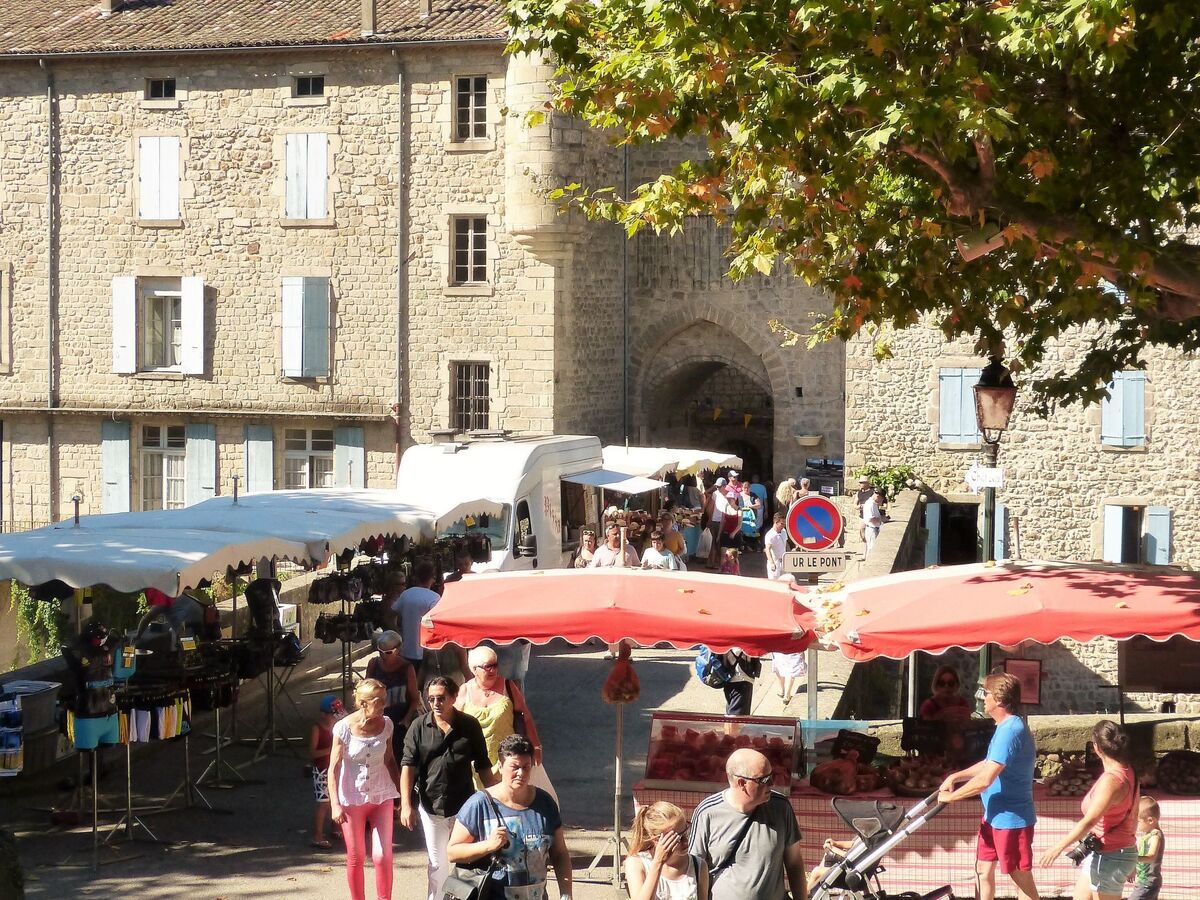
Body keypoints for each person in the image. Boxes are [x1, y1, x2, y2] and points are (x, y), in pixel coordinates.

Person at [938, 672, 1039, 900]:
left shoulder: (1011, 730)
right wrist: (956, 777)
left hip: (1012, 819)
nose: (982, 697)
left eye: (986, 693)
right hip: (994, 815)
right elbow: (989, 763)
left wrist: (952, 797)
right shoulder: (1005, 727)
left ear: (999, 699)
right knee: (982, 869)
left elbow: (985, 780)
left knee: (1019, 876)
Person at [399, 676, 497, 900]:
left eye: (441, 698)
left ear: (453, 697)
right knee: (437, 864)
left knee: (467, 859)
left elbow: (482, 764)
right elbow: (408, 766)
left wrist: (496, 799)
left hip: (464, 806)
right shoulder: (418, 726)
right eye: (431, 698)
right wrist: (405, 805)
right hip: (431, 805)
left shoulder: (469, 725)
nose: (436, 703)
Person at [447, 734, 572, 900]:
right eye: (515, 767)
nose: (521, 773)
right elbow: (453, 852)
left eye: (526, 767)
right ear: (500, 766)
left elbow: (559, 853)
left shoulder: (545, 803)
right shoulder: (479, 804)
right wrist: (488, 845)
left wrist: (566, 894)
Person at [688, 747, 807, 900]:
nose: (772, 783)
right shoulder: (707, 812)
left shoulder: (781, 807)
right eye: (764, 780)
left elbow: (794, 862)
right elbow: (693, 868)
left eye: (772, 776)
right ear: (741, 783)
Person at [1039, 720, 1139, 900]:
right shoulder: (1128, 771)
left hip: (1111, 855)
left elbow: (1089, 821)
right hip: (1108, 851)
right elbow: (1134, 815)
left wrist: (1058, 847)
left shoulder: (1111, 781)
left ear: (1096, 748)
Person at [328, 679, 402, 900]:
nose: (383, 706)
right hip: (352, 798)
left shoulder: (387, 724)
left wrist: (401, 795)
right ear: (362, 703)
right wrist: (335, 805)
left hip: (382, 794)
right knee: (356, 856)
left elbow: (390, 759)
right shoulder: (343, 728)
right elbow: (333, 768)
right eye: (378, 701)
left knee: (383, 856)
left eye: (384, 700)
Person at [456, 646, 555, 801]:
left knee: (508, 799)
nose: (493, 670)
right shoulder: (464, 691)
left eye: (495, 665)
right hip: (476, 760)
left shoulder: (508, 686)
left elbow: (526, 716)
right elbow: (454, 723)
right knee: (482, 800)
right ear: (474, 669)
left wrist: (536, 746)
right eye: (488, 666)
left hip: (507, 756)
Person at [626, 801, 706, 900]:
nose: (686, 842)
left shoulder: (698, 866)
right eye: (678, 838)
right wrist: (658, 862)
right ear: (656, 839)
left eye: (686, 832)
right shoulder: (637, 863)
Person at [364, 631, 421, 747]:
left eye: (388, 652)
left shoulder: (407, 668)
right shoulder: (374, 664)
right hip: (377, 721)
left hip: (399, 722)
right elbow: (365, 693)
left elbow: (415, 698)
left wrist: (406, 720)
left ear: (398, 650)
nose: (384, 656)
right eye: (380, 651)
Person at [391, 559, 441, 676]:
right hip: (427, 650)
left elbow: (390, 615)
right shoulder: (434, 597)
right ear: (433, 578)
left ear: (416, 577)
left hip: (406, 649)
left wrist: (397, 632)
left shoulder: (406, 594)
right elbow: (437, 625)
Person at [309, 693, 345, 849]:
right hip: (322, 770)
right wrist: (331, 750)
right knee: (324, 803)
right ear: (323, 714)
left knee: (338, 799)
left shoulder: (338, 727)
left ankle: (336, 828)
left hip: (337, 768)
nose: (335, 717)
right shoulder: (317, 728)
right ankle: (317, 836)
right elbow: (312, 753)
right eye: (332, 714)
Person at [1129, 795, 1164, 900]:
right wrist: (1133, 868)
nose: (1135, 825)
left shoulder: (1155, 836)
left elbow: (1151, 856)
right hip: (1144, 881)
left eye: (1138, 821)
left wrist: (1133, 858)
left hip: (1148, 883)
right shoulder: (1147, 834)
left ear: (1150, 820)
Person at [722, 648, 759, 716]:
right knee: (737, 716)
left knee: (731, 713)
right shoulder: (741, 643)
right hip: (741, 678)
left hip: (728, 678)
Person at [764, 513, 789, 582]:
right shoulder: (770, 534)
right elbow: (767, 549)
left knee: (786, 581)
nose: (783, 525)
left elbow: (786, 544)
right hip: (775, 562)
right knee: (775, 582)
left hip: (784, 561)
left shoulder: (784, 531)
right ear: (776, 522)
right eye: (782, 524)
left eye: (784, 524)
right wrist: (772, 563)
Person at [861, 488, 884, 555]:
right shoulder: (870, 504)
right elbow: (870, 519)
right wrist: (881, 519)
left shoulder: (873, 503)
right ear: (878, 496)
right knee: (872, 549)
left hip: (874, 529)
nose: (881, 501)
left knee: (873, 548)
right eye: (881, 499)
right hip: (871, 530)